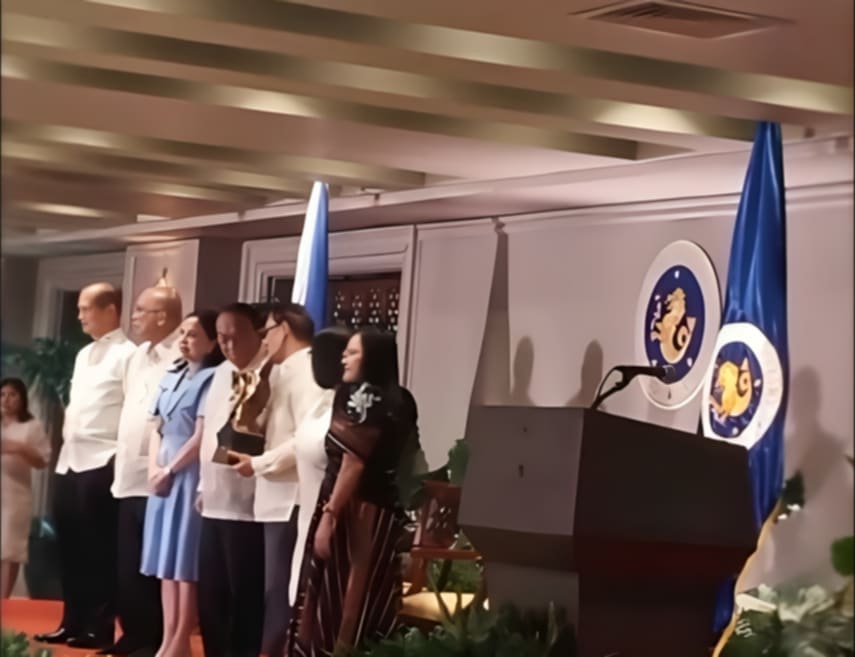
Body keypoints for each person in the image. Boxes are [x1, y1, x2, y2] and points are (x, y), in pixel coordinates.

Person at [287, 327, 418, 657]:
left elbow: (353, 463)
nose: (344, 358)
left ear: (373, 357)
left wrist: (330, 514)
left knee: (344, 600)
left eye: (353, 352)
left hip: (355, 512)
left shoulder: (360, 397)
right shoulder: (402, 399)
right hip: (383, 513)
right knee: (369, 596)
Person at [35, 283, 137, 649]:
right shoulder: (84, 354)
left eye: (86, 308)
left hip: (102, 458)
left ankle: (100, 625)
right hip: (71, 459)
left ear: (110, 310)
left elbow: (131, 410)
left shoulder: (129, 354)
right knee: (71, 546)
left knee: (99, 549)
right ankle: (72, 621)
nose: (79, 316)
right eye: (78, 308)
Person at [229, 303, 327, 657]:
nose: (263, 340)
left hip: (291, 496)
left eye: (266, 332)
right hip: (271, 495)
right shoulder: (280, 372)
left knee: (283, 589)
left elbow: (306, 439)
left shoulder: (310, 371)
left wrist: (259, 463)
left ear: (283, 329)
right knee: (271, 589)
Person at [141, 310, 224, 657]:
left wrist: (170, 470)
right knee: (164, 562)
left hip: (188, 473)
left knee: (184, 561)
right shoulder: (172, 374)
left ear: (212, 342)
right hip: (162, 473)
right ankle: (168, 638)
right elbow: (156, 427)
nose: (185, 340)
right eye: (182, 333)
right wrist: (153, 468)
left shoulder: (213, 378)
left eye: (193, 334)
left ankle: (181, 640)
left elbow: (201, 436)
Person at [107, 286, 183, 657]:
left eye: (140, 310)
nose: (133, 317)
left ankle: (152, 638)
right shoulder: (138, 355)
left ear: (163, 316)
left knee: (151, 564)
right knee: (126, 564)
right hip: (127, 473)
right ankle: (132, 633)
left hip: (157, 475)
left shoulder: (180, 354)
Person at [195, 303, 267, 657]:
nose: (227, 344)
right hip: (213, 498)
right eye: (221, 337)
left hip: (249, 505)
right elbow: (210, 429)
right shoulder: (221, 372)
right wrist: (200, 486)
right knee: (211, 595)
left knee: (245, 597)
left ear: (258, 334)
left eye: (235, 336)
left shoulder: (270, 373)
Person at [286, 327, 352, 609]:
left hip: (334, 515)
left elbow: (350, 463)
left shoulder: (353, 411)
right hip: (308, 511)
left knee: (325, 602)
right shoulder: (321, 405)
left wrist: (330, 513)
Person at [1, 378, 50, 598]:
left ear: (22, 398)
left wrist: (20, 448)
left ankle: (4, 600)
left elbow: (42, 461)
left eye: (12, 395)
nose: (6, 400)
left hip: (15, 495)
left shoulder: (31, 426)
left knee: (9, 549)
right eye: (2, 394)